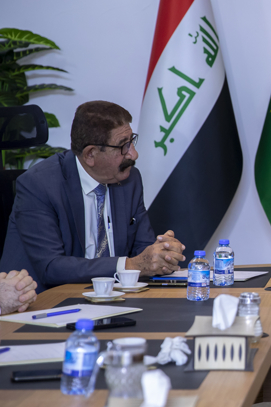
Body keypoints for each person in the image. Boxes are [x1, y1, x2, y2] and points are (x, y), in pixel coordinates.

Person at [0, 101, 186, 290]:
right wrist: (130, 265)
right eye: (124, 146)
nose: (134, 154)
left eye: (132, 141)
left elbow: (142, 250)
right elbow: (51, 267)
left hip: (113, 296)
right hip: (47, 298)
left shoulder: (130, 179)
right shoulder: (39, 185)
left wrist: (161, 254)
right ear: (90, 154)